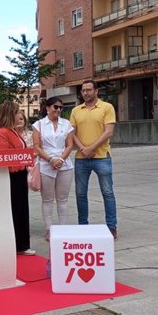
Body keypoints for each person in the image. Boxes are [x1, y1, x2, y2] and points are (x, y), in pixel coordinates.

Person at [70, 80, 118, 239]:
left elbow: (108, 132)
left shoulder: (106, 107)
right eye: (83, 90)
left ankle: (111, 226)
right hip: (81, 158)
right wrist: (83, 148)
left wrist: (91, 148)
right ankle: (83, 225)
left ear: (96, 91)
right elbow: (72, 133)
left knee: (107, 192)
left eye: (89, 90)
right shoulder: (76, 110)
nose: (86, 93)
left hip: (102, 156)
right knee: (80, 193)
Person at [0, 101, 35, 255]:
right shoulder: (2, 132)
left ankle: (22, 243)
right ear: (11, 114)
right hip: (11, 176)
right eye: (18, 112)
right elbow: (2, 156)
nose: (20, 115)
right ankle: (17, 243)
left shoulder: (14, 131)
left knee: (21, 209)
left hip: (20, 173)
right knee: (15, 210)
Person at [33, 97, 75, 241]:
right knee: (47, 200)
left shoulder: (67, 124)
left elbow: (70, 145)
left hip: (64, 164)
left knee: (63, 199)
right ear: (48, 108)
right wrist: (50, 159)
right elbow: (37, 146)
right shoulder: (39, 124)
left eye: (60, 108)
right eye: (55, 107)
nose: (58, 110)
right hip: (46, 164)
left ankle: (63, 229)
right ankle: (49, 229)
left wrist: (61, 159)